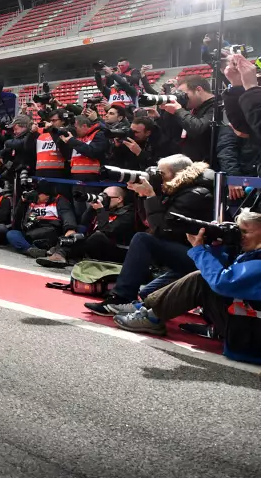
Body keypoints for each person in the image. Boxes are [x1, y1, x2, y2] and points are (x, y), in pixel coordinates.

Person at [112, 210, 261, 363]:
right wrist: (215, 249)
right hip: (247, 329)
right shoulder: (252, 255)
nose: (239, 236)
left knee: (200, 279)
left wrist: (199, 252)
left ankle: (151, 316)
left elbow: (223, 282)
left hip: (253, 340)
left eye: (245, 231)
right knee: (203, 277)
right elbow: (226, 272)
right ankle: (146, 308)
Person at [84, 154, 215, 315]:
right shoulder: (174, 189)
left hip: (199, 258)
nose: (157, 177)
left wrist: (151, 196)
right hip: (185, 255)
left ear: (179, 173)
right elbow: (145, 224)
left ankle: (121, 299)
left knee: (143, 239)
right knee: (147, 297)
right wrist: (142, 196)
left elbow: (163, 230)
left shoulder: (195, 194)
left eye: (162, 173)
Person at [158, 76, 217, 163]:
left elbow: (198, 128)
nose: (183, 97)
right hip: (192, 162)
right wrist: (166, 111)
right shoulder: (193, 108)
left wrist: (178, 110)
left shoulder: (217, 106)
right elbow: (172, 134)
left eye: (184, 94)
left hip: (209, 164)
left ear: (198, 90)